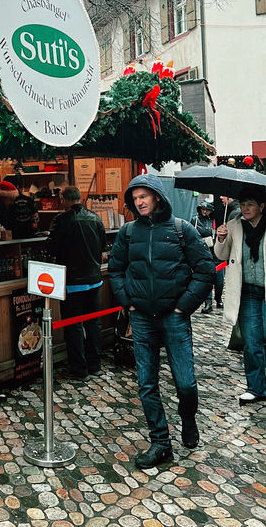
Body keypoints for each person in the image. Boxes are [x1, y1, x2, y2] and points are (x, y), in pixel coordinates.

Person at [108, 175, 216, 469]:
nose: (139, 202)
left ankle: (188, 418)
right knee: (146, 384)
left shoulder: (182, 230)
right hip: (142, 318)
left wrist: (184, 307)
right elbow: (115, 269)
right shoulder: (128, 232)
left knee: (186, 384)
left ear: (156, 197)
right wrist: (126, 301)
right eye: (135, 198)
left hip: (174, 319)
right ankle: (160, 442)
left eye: (144, 196)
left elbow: (205, 271)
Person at [45, 185, 106, 380]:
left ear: (64, 199)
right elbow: (102, 245)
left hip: (72, 281)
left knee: (74, 326)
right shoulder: (95, 218)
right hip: (94, 280)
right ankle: (95, 365)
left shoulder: (62, 220)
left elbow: (52, 248)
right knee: (94, 323)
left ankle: (79, 370)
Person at [214, 188, 266, 405]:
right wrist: (221, 238)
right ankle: (256, 388)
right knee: (252, 342)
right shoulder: (235, 225)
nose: (245, 208)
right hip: (248, 293)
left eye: (250, 204)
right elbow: (221, 255)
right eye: (243, 204)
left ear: (262, 206)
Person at [190, 200, 215, 313]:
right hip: (198, 252)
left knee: (216, 279)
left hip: (212, 252)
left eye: (207, 210)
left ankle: (216, 299)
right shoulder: (195, 220)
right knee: (203, 277)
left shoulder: (214, 221)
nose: (205, 212)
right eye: (203, 209)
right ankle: (207, 301)